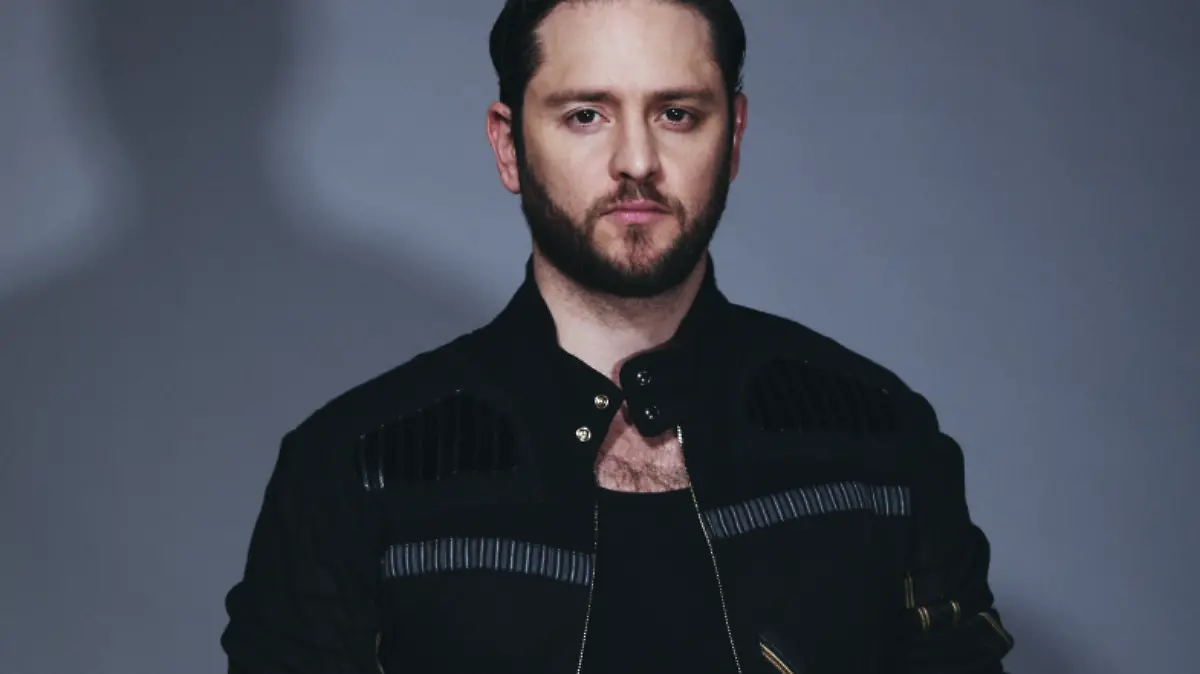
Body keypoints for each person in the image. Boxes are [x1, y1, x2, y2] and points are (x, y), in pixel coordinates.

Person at [221, 0, 1015, 672]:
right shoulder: (357, 469)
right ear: (508, 147)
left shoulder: (881, 440)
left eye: (677, 114)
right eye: (586, 115)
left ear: (734, 137)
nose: (637, 160)